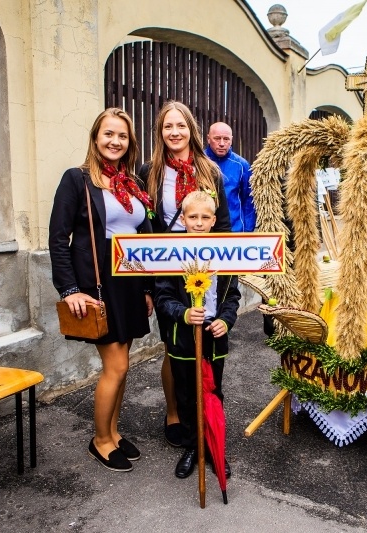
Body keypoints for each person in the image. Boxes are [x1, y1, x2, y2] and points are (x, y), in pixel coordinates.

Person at [49, 108, 154, 472]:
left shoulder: (131, 184)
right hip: (97, 283)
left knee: (122, 366)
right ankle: (99, 440)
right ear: (96, 138)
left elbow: (139, 238)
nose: (115, 141)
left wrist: (145, 288)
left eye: (122, 136)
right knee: (117, 365)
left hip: (128, 281)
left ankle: (112, 431)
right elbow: (58, 238)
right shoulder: (77, 179)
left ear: (130, 143)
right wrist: (69, 290)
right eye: (108, 134)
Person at [139, 101, 231, 448]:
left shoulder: (209, 170)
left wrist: (224, 268)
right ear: (160, 132)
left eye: (180, 126)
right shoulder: (150, 171)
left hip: (206, 266)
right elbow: (147, 229)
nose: (174, 132)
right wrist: (149, 284)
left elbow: (221, 225)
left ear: (191, 129)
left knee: (204, 342)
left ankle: (207, 420)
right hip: (168, 270)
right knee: (173, 344)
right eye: (167, 127)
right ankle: (176, 411)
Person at [154, 191, 240, 479]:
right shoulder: (172, 253)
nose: (199, 223)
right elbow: (163, 296)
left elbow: (233, 297)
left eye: (205, 217)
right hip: (183, 338)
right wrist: (183, 313)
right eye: (193, 217)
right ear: (183, 219)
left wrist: (226, 321)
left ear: (214, 220)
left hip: (214, 338)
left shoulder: (227, 254)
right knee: (187, 394)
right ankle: (193, 447)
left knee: (213, 393)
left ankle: (215, 448)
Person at [205, 121, 256, 232]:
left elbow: (248, 200)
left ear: (231, 140)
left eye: (226, 139)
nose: (222, 143)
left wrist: (247, 231)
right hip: (204, 231)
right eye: (217, 138)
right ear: (208, 139)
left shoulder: (242, 165)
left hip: (235, 231)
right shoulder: (199, 161)